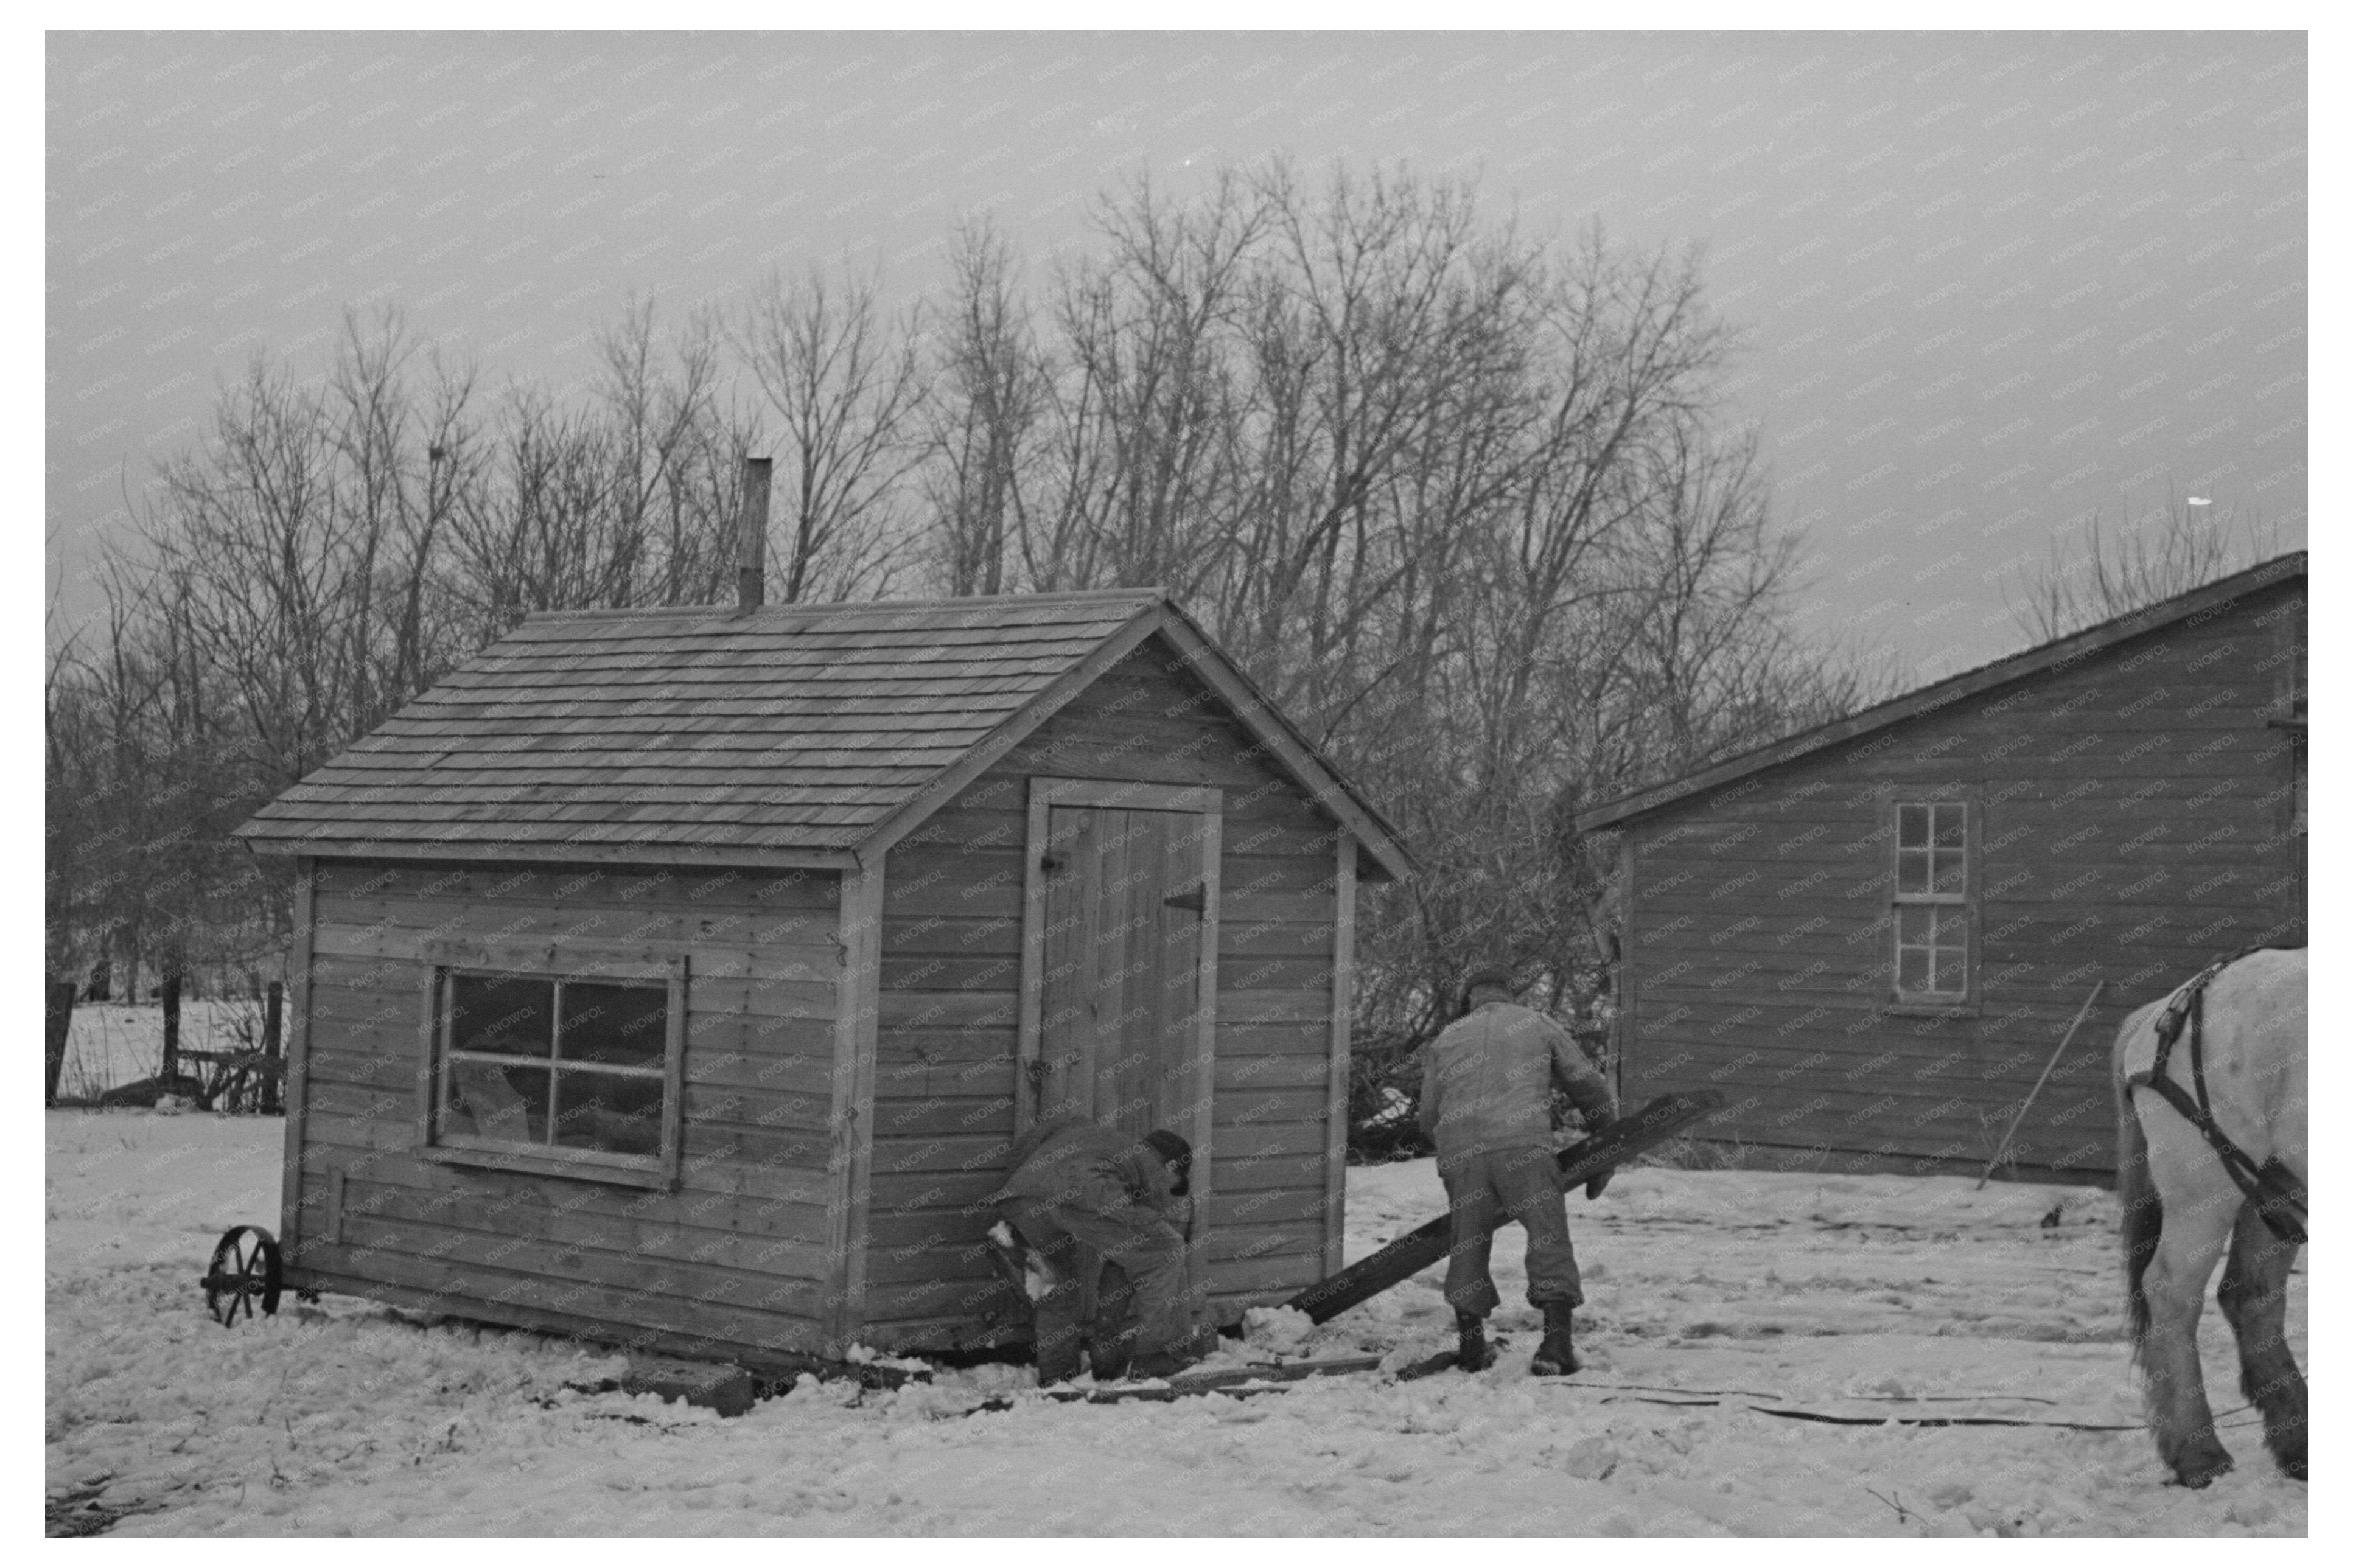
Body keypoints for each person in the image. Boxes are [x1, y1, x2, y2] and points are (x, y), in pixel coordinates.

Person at [1418, 967, 1618, 1376]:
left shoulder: (1447, 1038)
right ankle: (1555, 1344)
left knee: (1467, 1240)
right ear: (1510, 995)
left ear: (1470, 999)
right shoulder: (1536, 1023)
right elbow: (1587, 1085)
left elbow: (1426, 1116)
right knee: (1547, 1233)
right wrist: (1605, 1146)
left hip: (1462, 1153)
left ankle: (1471, 1346)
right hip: (1521, 1145)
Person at [988, 1115, 1205, 1384]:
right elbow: (1125, 1264)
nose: (1169, 1191)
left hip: (1021, 1199)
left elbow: (1036, 1137)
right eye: (1175, 1184)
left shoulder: (1095, 1138)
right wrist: (1107, 1331)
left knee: (1058, 1290)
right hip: (1084, 1190)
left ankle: (1058, 1379)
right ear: (1171, 1166)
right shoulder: (1150, 1168)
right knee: (1166, 1250)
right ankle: (1159, 1358)